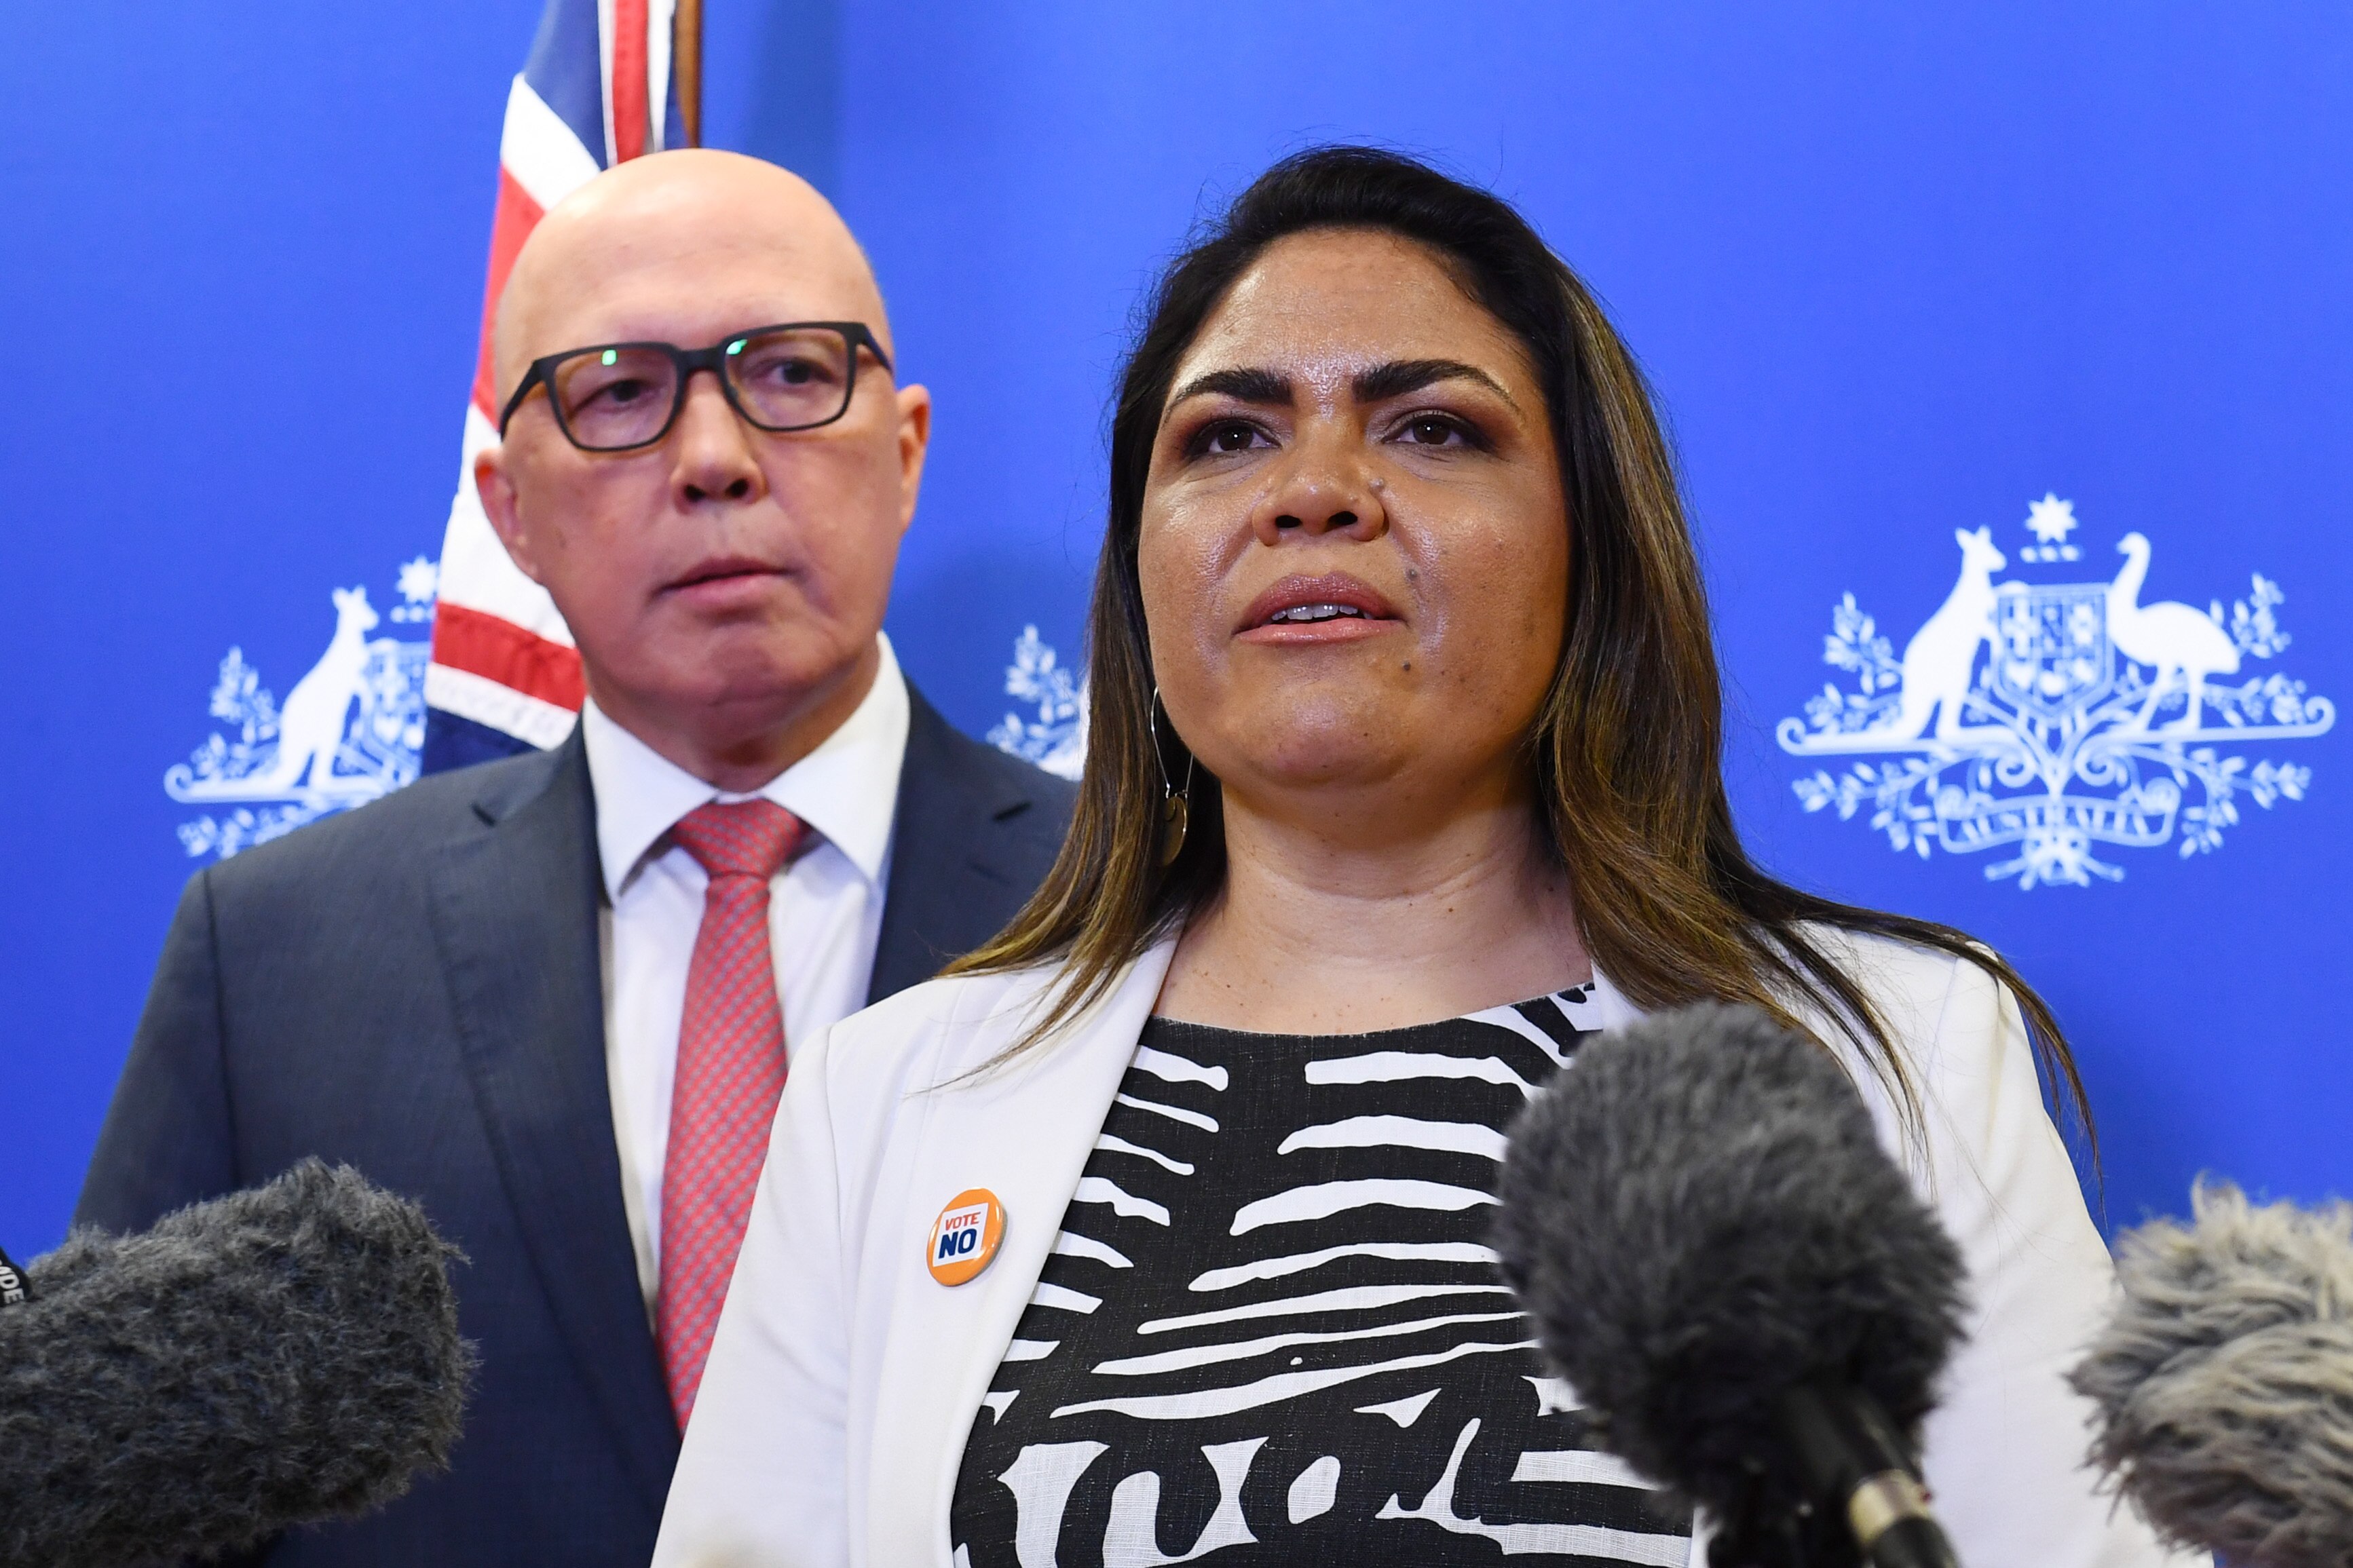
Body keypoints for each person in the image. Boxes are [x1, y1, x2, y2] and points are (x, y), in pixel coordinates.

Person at [652, 148, 2201, 1568]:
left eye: (1432, 427)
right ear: (1140, 572)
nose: (1312, 489)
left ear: (1591, 542)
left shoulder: (1902, 1048)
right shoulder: (895, 1097)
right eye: (1230, 434)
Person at [77, 150, 1076, 1568]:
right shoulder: (278, 954)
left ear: (904, 450)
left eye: (792, 374)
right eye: (618, 392)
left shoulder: (1149, 908)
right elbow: (120, 1513)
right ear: (510, 512)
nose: (718, 456)